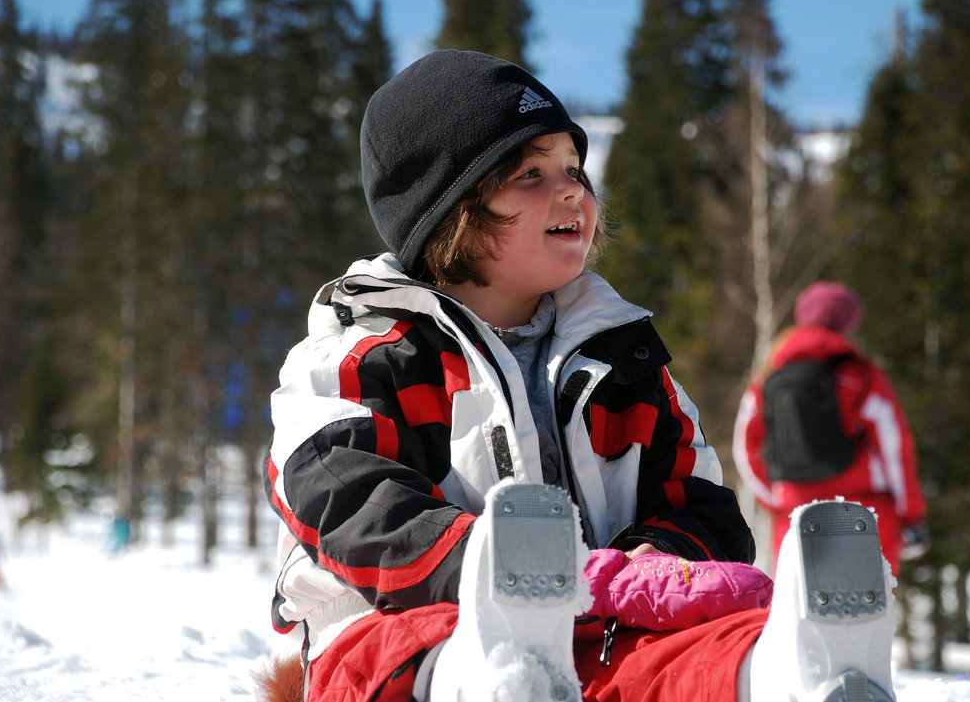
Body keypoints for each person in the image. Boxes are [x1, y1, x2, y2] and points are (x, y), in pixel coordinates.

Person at [261, 50, 899, 702]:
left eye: (573, 167)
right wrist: (491, 566)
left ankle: (790, 672)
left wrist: (658, 558)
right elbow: (338, 493)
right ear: (447, 207)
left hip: (588, 629)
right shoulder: (368, 353)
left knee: (664, 650)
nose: (570, 188)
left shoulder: (622, 357)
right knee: (395, 652)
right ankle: (493, 685)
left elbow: (697, 500)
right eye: (529, 173)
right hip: (398, 620)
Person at [733, 281, 930, 576]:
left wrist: (773, 498)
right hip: (865, 514)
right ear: (849, 322)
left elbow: (744, 445)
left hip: (795, 514)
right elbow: (893, 448)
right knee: (869, 614)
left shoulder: (770, 373)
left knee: (800, 613)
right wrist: (911, 515)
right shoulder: (860, 373)